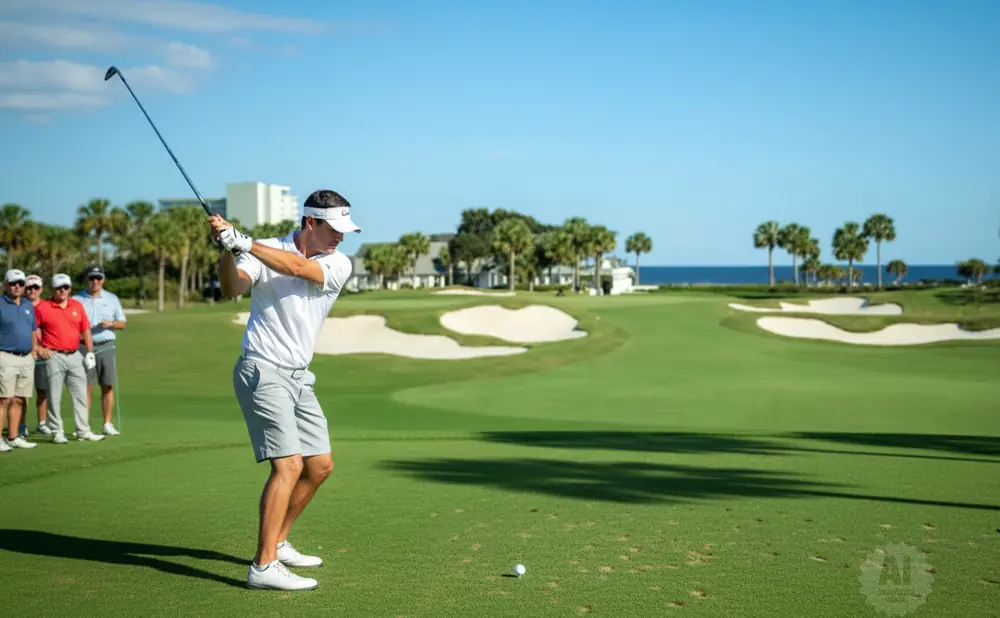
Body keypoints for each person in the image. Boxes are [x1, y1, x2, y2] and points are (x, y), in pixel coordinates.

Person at [210, 189, 359, 591]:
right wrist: (227, 250)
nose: (340, 237)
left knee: (319, 466)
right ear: (311, 222)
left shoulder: (337, 263)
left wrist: (244, 242)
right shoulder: (264, 250)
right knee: (289, 465)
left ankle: (278, 540)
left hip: (299, 376)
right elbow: (232, 288)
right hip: (261, 368)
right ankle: (263, 566)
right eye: (334, 228)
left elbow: (296, 268)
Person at [33, 273, 103, 444]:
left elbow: (85, 330)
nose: (63, 291)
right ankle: (57, 430)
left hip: (75, 355)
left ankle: (83, 430)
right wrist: (39, 348)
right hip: (54, 356)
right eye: (59, 288)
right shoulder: (43, 307)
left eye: (66, 287)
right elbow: (33, 329)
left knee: (80, 394)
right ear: (53, 289)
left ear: (70, 288)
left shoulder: (77, 305)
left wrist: (90, 352)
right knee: (54, 396)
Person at [74, 264, 126, 436]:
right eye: (92, 278)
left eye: (98, 278)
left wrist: (111, 324)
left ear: (103, 279)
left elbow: (122, 323)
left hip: (105, 346)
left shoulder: (112, 299)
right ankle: (83, 426)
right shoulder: (77, 299)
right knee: (85, 387)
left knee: (107, 385)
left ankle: (107, 424)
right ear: (87, 279)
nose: (95, 281)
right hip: (83, 347)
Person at [0, 269, 40, 452]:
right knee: (3, 400)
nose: (17, 287)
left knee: (18, 399)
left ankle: (13, 437)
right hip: (5, 357)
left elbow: (33, 330)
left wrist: (34, 350)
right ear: (5, 285)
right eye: (13, 283)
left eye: (20, 284)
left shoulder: (27, 305)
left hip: (26, 358)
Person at [24, 274, 50, 437]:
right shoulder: (20, 305)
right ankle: (21, 424)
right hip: (24, 353)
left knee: (42, 389)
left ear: (40, 289)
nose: (32, 290)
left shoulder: (47, 306)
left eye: (36, 287)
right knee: (23, 392)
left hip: (44, 352)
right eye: (29, 287)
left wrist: (43, 348)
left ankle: (42, 422)